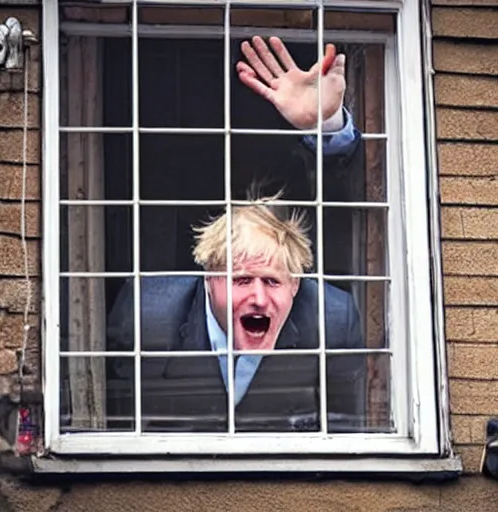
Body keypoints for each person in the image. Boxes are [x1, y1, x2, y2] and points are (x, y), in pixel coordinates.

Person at [108, 39, 366, 433]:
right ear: (209, 278)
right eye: (241, 279)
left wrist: (324, 125)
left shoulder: (331, 320)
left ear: (296, 284)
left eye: (273, 281)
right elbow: (116, 427)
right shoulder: (147, 315)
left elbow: (348, 430)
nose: (259, 298)